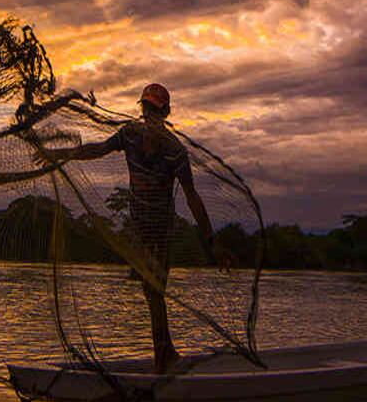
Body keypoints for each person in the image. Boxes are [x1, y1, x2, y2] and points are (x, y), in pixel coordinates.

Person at [36, 83, 231, 373]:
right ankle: (165, 354)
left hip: (156, 226)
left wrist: (211, 240)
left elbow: (191, 196)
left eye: (152, 109)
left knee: (154, 289)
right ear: (153, 110)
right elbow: (99, 149)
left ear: (159, 111)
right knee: (152, 290)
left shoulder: (167, 148)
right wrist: (64, 153)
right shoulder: (139, 138)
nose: (150, 114)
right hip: (146, 225)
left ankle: (164, 355)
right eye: (149, 109)